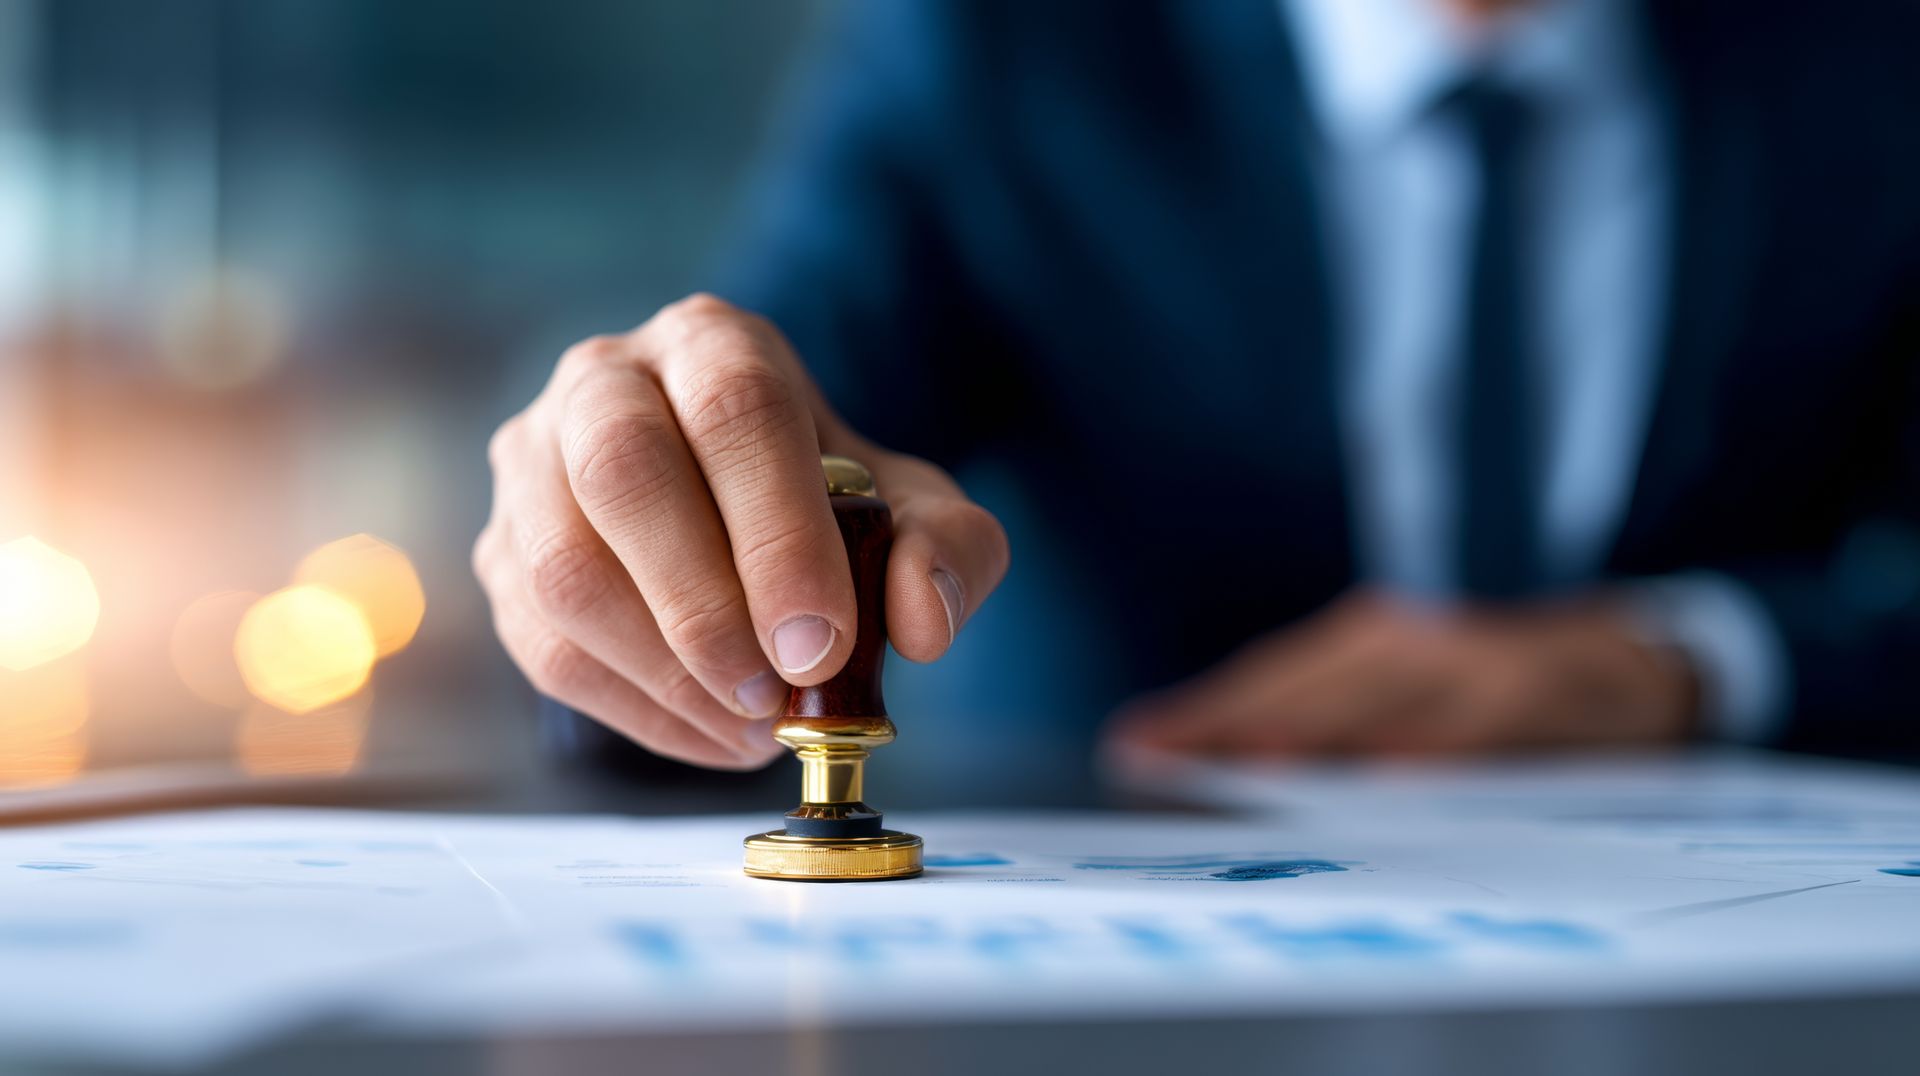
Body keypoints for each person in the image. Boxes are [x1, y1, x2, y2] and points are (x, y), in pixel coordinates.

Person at [473, 0, 1920, 771]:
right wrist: (650, 497)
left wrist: (1689, 659)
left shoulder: (1868, 56)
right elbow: (788, 394)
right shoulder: (994, 39)